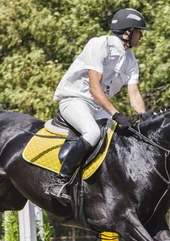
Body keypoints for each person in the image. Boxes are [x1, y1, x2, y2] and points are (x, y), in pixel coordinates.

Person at [50, 8, 150, 205]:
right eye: (139, 31)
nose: (142, 35)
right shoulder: (99, 45)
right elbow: (95, 88)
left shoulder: (130, 60)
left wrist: (145, 117)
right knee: (93, 133)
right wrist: (115, 114)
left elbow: (134, 93)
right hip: (75, 99)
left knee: (121, 140)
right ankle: (60, 182)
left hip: (97, 106)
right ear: (127, 32)